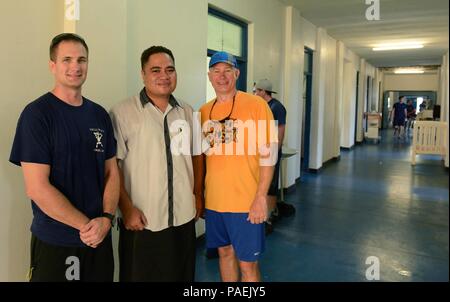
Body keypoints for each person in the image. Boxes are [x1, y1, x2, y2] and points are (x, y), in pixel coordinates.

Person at [9, 33, 120, 281]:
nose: (75, 67)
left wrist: (106, 219)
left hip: (99, 239)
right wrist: (87, 227)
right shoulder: (37, 115)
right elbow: (37, 188)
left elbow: (112, 172)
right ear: (52, 65)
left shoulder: (99, 114)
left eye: (82, 59)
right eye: (66, 59)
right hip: (57, 241)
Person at [109, 46, 203, 281]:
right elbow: (112, 168)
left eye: (170, 69)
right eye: (156, 70)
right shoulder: (122, 112)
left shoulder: (188, 112)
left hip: (183, 216)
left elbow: (197, 156)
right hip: (143, 221)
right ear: (143, 74)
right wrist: (127, 209)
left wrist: (198, 194)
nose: (164, 76)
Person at [199, 51, 277, 282]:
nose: (221, 76)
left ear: (237, 73)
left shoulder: (256, 105)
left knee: (248, 264)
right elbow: (203, 159)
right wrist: (201, 197)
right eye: (216, 71)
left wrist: (261, 197)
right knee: (224, 253)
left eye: (227, 71)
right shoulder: (204, 111)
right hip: (215, 202)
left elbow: (268, 154)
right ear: (209, 75)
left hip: (246, 201)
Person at [254, 79, 286, 233]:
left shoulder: (277, 107)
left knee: (271, 186)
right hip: (260, 152)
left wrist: (274, 152)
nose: (254, 94)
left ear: (263, 91)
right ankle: (263, 215)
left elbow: (280, 130)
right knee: (263, 184)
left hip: (271, 153)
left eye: (256, 91)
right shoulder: (261, 106)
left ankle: (269, 217)